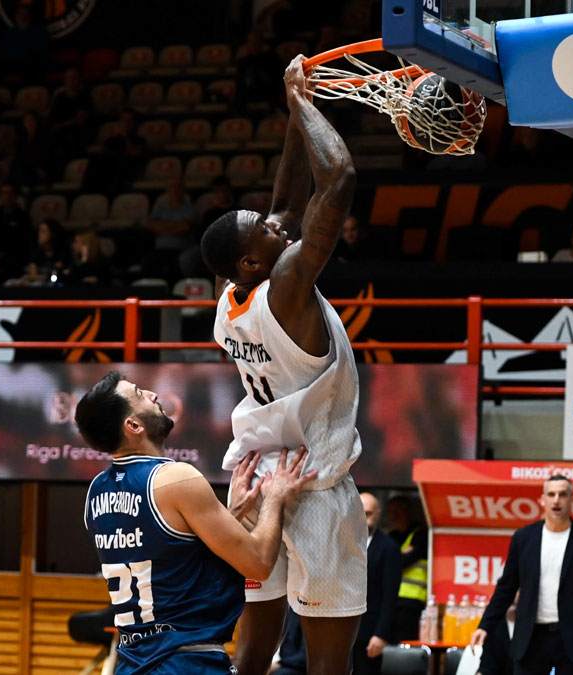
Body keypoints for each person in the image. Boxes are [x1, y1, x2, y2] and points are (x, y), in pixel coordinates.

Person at [200, 54, 364, 675]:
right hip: (312, 482)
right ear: (251, 262)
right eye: (261, 228)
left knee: (254, 651)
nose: (273, 222)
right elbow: (339, 178)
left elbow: (288, 201)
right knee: (329, 663)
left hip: (259, 479)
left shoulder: (232, 300)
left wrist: (295, 106)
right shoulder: (288, 287)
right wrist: (305, 108)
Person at [76, 371, 316, 674]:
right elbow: (258, 563)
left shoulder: (97, 491)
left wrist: (232, 516)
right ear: (133, 426)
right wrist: (275, 500)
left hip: (134, 663)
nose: (153, 394)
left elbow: (170, 557)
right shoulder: (176, 478)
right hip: (186, 661)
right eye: (139, 394)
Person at [469, 476, 573, 675]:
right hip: (532, 637)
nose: (556, 500)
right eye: (551, 494)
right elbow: (506, 587)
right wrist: (485, 626)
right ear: (542, 500)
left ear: (572, 499)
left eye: (562, 494)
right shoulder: (524, 538)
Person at [356, 493, 401, 675]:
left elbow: (390, 595)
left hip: (370, 631)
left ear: (378, 514)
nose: (363, 518)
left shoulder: (388, 547)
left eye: (367, 513)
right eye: (359, 512)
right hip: (344, 629)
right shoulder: (344, 542)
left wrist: (381, 633)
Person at [387, 495, 429, 642]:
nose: (394, 516)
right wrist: (400, 555)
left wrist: (395, 558)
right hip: (391, 599)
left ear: (408, 511)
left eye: (398, 511)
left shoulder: (421, 534)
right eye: (391, 511)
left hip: (412, 601)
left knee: (405, 644)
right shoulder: (391, 536)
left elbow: (400, 562)